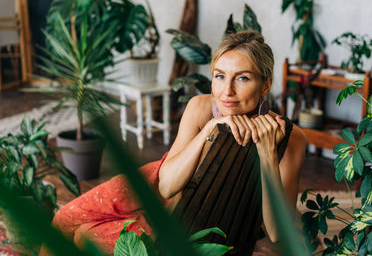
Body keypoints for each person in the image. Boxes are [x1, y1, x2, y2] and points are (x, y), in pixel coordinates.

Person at [40, 30, 306, 255]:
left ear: (265, 84)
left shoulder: (290, 138)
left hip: (181, 216)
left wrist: (268, 155)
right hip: (157, 180)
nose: (227, 91)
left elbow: (275, 232)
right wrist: (211, 128)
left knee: (85, 235)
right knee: (65, 219)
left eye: (243, 78)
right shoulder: (202, 108)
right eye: (220, 76)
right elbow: (166, 185)